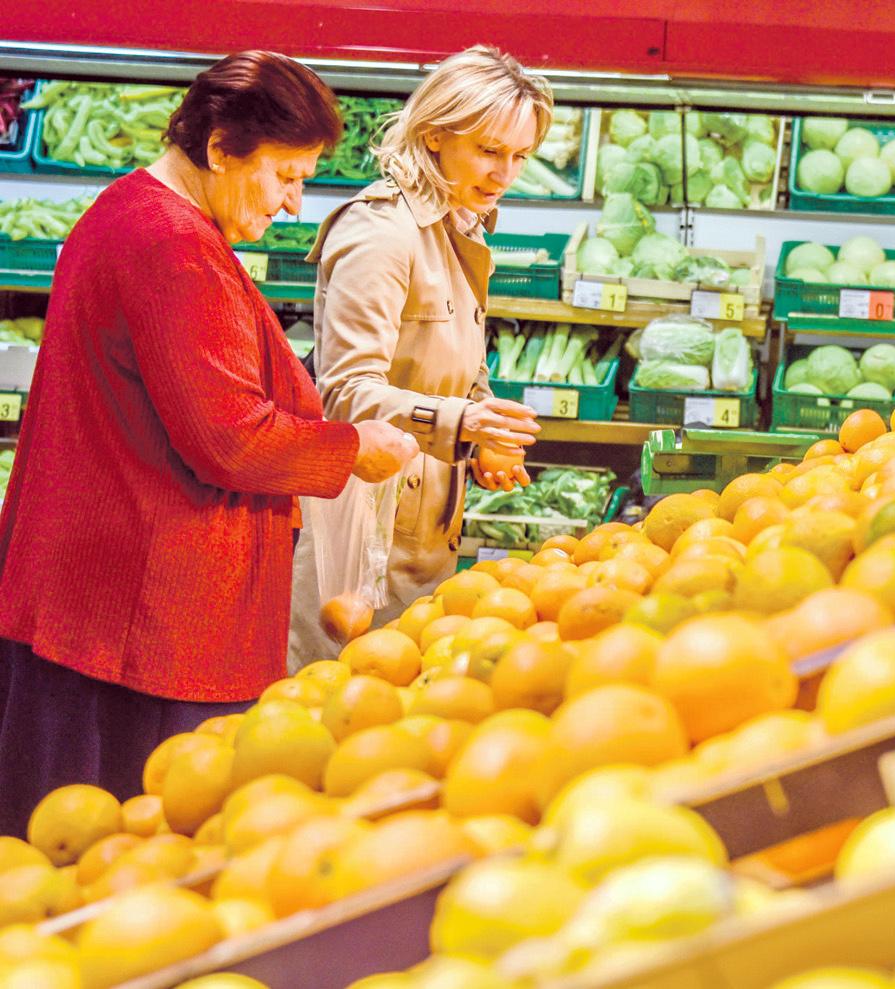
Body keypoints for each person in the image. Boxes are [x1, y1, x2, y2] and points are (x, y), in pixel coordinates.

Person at [0, 51, 419, 837]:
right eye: (286, 176)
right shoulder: (174, 246)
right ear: (221, 147)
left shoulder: (127, 209)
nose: (295, 203)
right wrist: (352, 446)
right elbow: (229, 437)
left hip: (101, 589)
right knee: (124, 843)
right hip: (145, 617)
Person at [289, 46, 552, 667]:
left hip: (423, 533)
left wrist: (481, 427)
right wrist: (463, 424)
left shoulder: (460, 226)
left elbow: (456, 362)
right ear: (435, 135)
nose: (505, 173)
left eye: (520, 156)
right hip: (358, 543)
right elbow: (346, 392)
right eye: (489, 151)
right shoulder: (382, 234)